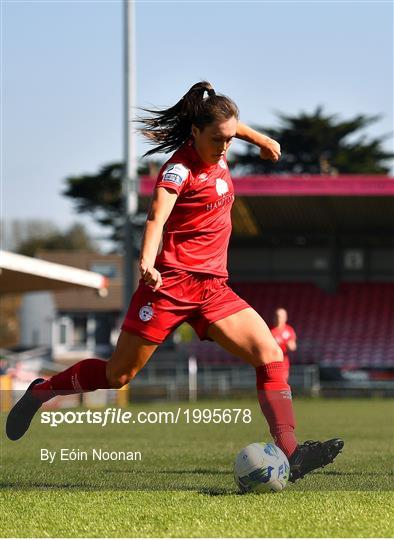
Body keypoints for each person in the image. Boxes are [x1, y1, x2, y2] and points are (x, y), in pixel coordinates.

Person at [6, 81, 343, 482]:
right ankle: (42, 392)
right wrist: (147, 261)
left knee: (269, 353)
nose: (224, 147)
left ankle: (291, 453)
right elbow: (156, 217)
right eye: (217, 139)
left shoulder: (220, 144)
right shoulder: (179, 169)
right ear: (195, 132)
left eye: (230, 139)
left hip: (213, 289)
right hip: (167, 286)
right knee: (119, 375)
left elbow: (231, 127)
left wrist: (260, 139)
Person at [271, 308, 297, 383]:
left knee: (283, 382)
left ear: (285, 318)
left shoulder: (289, 330)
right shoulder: (269, 330)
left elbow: (293, 346)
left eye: (280, 316)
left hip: (283, 362)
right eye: (276, 316)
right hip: (271, 361)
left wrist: (289, 345)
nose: (278, 318)